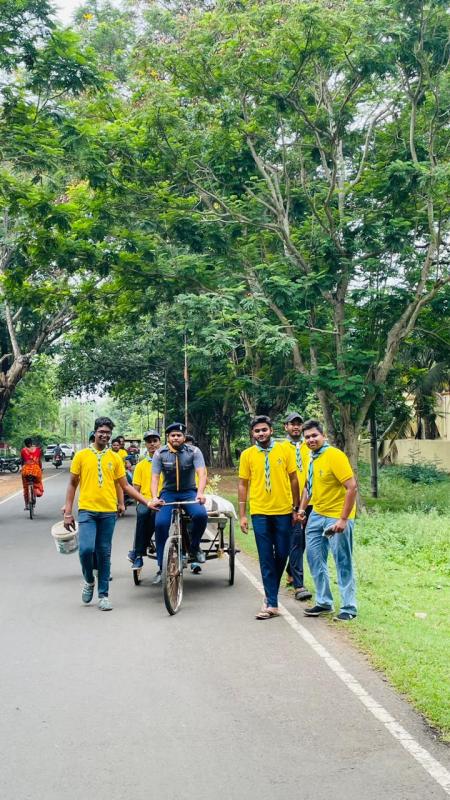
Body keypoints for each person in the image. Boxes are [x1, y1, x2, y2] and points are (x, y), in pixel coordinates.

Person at [62, 416, 156, 611]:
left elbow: (124, 486)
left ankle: (103, 595)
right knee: (86, 550)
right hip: (87, 511)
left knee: (104, 553)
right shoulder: (81, 455)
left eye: (108, 433)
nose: (104, 435)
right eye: (101, 432)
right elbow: (72, 484)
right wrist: (67, 511)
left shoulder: (115, 458)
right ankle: (89, 580)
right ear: (95, 432)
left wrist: (146, 502)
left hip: (108, 513)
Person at [238, 415, 301, 620]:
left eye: (264, 430)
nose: (261, 433)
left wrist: (296, 508)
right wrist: (242, 514)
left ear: (271, 430)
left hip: (284, 511)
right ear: (252, 434)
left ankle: (270, 593)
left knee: (282, 553)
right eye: (257, 431)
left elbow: (294, 479)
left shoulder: (284, 450)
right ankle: (271, 602)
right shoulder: (247, 455)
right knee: (266, 557)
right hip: (259, 512)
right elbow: (243, 484)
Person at [299, 419, 358, 622]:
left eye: (314, 435)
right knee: (314, 557)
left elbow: (352, 487)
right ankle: (324, 602)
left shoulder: (334, 455)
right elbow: (308, 486)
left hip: (337, 515)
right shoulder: (310, 457)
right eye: (307, 437)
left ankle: (349, 607)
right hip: (317, 514)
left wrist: (343, 519)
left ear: (323, 436)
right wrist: (302, 509)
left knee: (342, 560)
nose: (311, 440)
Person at [149, 422, 208, 583]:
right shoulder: (159, 454)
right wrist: (154, 497)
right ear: (168, 437)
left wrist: (200, 493)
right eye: (173, 435)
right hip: (168, 493)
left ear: (184, 437)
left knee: (201, 515)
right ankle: (162, 567)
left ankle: (194, 547)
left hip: (189, 492)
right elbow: (154, 478)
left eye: (179, 435)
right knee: (160, 524)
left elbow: (202, 474)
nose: (176, 438)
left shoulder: (194, 451)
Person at [281, 412, 312, 602]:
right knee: (296, 540)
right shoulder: (281, 448)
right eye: (292, 424)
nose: (296, 427)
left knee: (304, 541)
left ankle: (290, 571)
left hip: (311, 500)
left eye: (298, 424)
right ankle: (299, 585)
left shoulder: (310, 446)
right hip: (291, 502)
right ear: (285, 427)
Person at [127, 429, 163, 571]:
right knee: (142, 514)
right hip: (145, 500)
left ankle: (137, 551)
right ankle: (138, 556)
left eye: (155, 441)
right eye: (149, 441)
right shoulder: (141, 465)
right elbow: (135, 489)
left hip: (162, 500)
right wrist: (141, 501)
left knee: (156, 515)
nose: (152, 444)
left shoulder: (167, 462)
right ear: (146, 445)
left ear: (160, 442)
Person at [20, 438, 44, 509]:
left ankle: (26, 504)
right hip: (36, 470)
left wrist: (22, 467)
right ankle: (37, 491)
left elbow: (22, 461)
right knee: (38, 482)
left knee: (25, 486)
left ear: (25, 444)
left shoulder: (23, 450)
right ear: (31, 443)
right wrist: (40, 468)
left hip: (26, 470)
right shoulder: (37, 450)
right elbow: (39, 461)